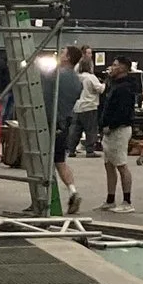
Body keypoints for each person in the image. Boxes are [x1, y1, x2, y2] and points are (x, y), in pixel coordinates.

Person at [97, 58, 142, 209]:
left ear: (123, 68)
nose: (112, 67)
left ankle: (127, 202)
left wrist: (111, 125)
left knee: (121, 165)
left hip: (119, 130)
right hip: (109, 130)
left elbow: (123, 111)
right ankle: (110, 200)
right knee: (109, 164)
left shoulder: (125, 88)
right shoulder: (113, 85)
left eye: (115, 65)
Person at [42, 54, 85, 214]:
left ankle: (44, 200)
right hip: (64, 123)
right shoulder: (76, 81)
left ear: (67, 57)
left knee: (43, 162)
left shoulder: (54, 75)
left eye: (63, 52)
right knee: (60, 161)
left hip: (48, 122)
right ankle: (73, 191)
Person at [71, 50, 105, 156]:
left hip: (77, 107)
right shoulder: (91, 77)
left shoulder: (76, 77)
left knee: (76, 130)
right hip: (89, 106)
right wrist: (104, 83)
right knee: (91, 130)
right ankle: (90, 150)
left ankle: (71, 150)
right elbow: (100, 89)